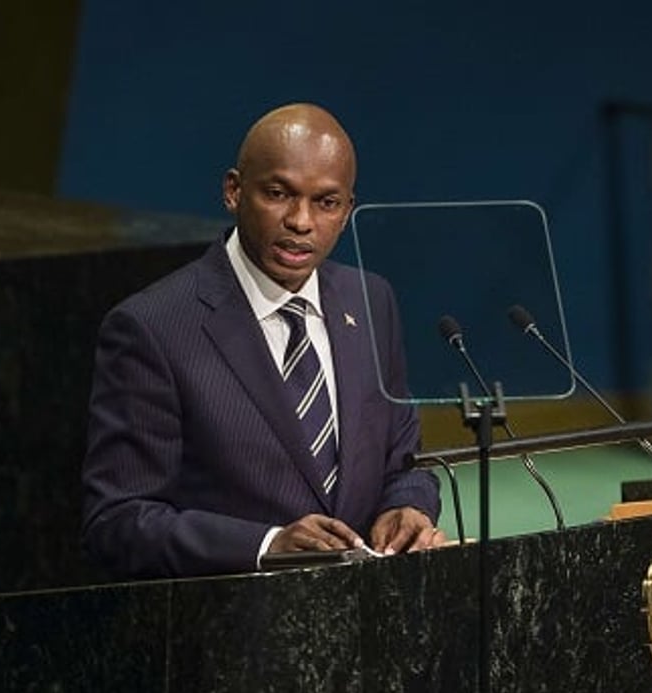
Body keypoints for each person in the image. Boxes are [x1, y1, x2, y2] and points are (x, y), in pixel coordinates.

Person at [81, 102, 444, 579]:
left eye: (326, 202)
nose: (301, 220)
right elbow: (119, 522)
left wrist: (409, 508)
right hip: (231, 628)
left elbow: (403, 463)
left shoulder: (372, 300)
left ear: (347, 210)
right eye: (278, 193)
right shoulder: (152, 327)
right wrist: (267, 545)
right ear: (234, 191)